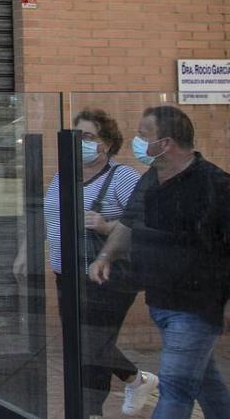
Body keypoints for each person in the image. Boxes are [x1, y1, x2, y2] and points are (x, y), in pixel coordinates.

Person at [13, 108, 155, 417]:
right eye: (77, 136)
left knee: (92, 343)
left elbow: (143, 224)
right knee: (82, 342)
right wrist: (26, 251)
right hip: (67, 273)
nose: (81, 143)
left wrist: (105, 225)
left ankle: (90, 411)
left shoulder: (123, 177)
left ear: (106, 143)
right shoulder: (64, 175)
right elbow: (43, 216)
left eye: (88, 137)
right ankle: (135, 379)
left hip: (108, 274)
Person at [91, 105, 230, 419]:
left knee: (175, 389)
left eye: (143, 134)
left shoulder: (215, 184)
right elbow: (129, 222)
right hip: (160, 300)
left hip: (197, 305)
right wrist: (105, 256)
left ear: (166, 143)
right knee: (206, 382)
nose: (136, 141)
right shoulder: (151, 178)